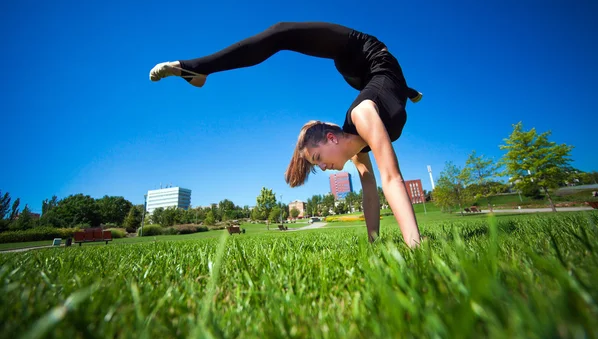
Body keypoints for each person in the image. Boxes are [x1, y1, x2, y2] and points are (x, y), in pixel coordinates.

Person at [149, 22, 422, 247]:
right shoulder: (359, 147)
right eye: (318, 164)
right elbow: (371, 192)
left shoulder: (363, 116)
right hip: (372, 78)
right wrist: (373, 243)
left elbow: (391, 178)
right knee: (386, 81)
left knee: (281, 33)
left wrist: (415, 247)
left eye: (317, 159)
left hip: (361, 51)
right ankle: (407, 90)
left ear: (331, 138)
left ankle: (197, 68)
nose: (324, 167)